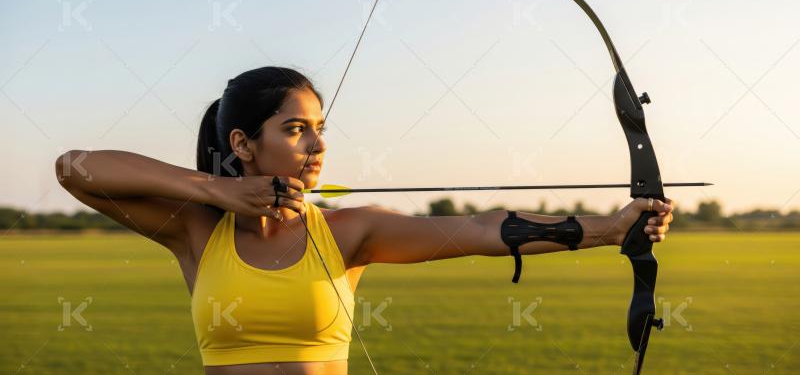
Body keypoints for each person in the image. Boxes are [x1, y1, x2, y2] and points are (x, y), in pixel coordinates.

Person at [55, 66, 674, 375]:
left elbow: (485, 230)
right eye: (295, 130)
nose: (316, 146)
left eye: (319, 129)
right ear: (243, 143)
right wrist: (215, 189)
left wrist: (607, 227)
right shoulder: (196, 230)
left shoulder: (348, 232)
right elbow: (74, 167)